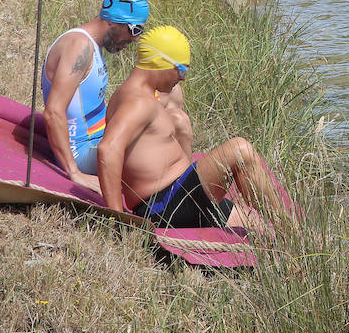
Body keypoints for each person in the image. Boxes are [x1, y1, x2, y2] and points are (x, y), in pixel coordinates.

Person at [97, 26, 294, 231]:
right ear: (159, 63)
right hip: (164, 207)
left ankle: (291, 234)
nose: (183, 77)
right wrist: (116, 218)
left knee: (262, 229)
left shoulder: (138, 94)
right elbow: (108, 149)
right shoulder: (138, 102)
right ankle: (292, 231)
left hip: (180, 195)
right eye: (181, 70)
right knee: (240, 150)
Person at [40, 0, 151, 194]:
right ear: (113, 21)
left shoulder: (92, 47)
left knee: (170, 108)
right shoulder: (79, 46)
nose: (135, 39)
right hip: (81, 151)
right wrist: (75, 173)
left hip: (98, 140)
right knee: (151, 135)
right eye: (135, 30)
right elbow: (53, 112)